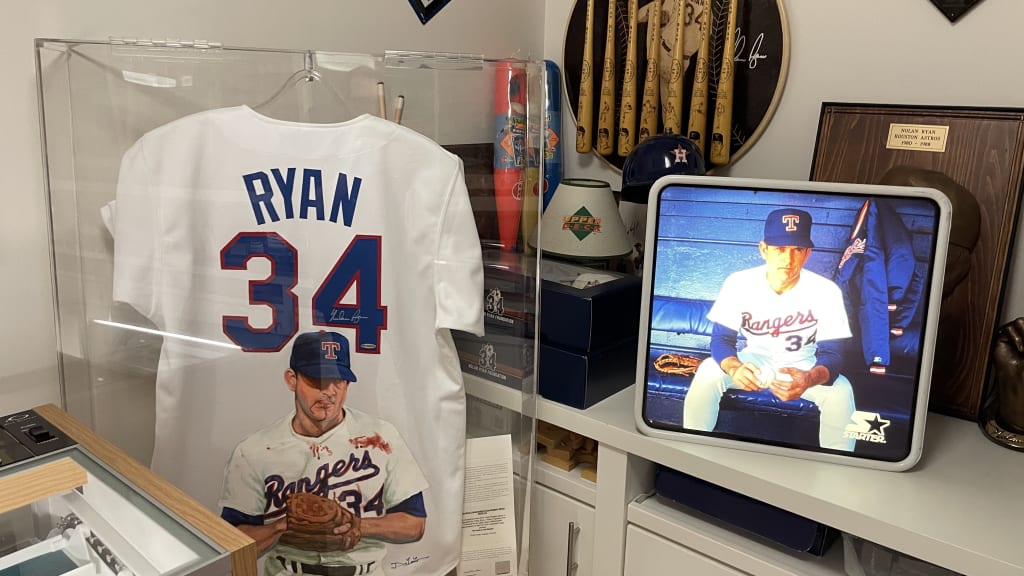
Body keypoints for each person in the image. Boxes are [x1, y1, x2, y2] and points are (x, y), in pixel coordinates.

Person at [219, 331, 428, 576]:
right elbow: (230, 544)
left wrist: (358, 525)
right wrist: (283, 528)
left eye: (337, 380)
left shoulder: (381, 437)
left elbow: (415, 523)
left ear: (347, 384)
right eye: (316, 380)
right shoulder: (254, 450)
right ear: (291, 380)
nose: (328, 391)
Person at [682, 209, 857, 451]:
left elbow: (834, 354)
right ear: (763, 249)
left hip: (802, 366)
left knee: (842, 392)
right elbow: (721, 339)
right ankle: (692, 451)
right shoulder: (739, 283)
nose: (788, 259)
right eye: (780, 249)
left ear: (808, 253)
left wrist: (810, 378)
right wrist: (734, 367)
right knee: (708, 371)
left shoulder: (826, 291)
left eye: (797, 250)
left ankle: (840, 470)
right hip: (755, 362)